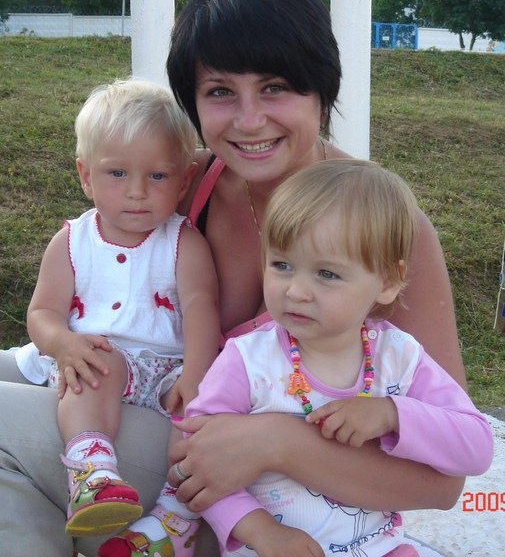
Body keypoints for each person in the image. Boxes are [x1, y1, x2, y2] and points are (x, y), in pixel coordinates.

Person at [0, 0, 468, 557]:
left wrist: (277, 442)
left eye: (275, 87)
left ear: (322, 90)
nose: (248, 120)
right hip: (147, 416)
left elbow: (444, 483)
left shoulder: (383, 226)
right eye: (220, 91)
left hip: (249, 499)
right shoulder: (181, 183)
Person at [182, 159, 493, 557]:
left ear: (387, 281)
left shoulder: (399, 358)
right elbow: (201, 461)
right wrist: (261, 532)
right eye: (282, 265)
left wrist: (392, 414)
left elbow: (476, 446)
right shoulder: (247, 361)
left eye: (326, 274)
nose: (295, 291)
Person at [13, 79, 220, 554]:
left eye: (158, 176)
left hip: (165, 373)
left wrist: (197, 374)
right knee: (96, 365)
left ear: (183, 180)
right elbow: (42, 311)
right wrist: (62, 343)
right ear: (86, 176)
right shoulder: (72, 241)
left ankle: (176, 520)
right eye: (117, 173)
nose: (137, 192)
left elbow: (201, 307)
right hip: (96, 359)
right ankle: (93, 470)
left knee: (202, 415)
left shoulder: (183, 242)